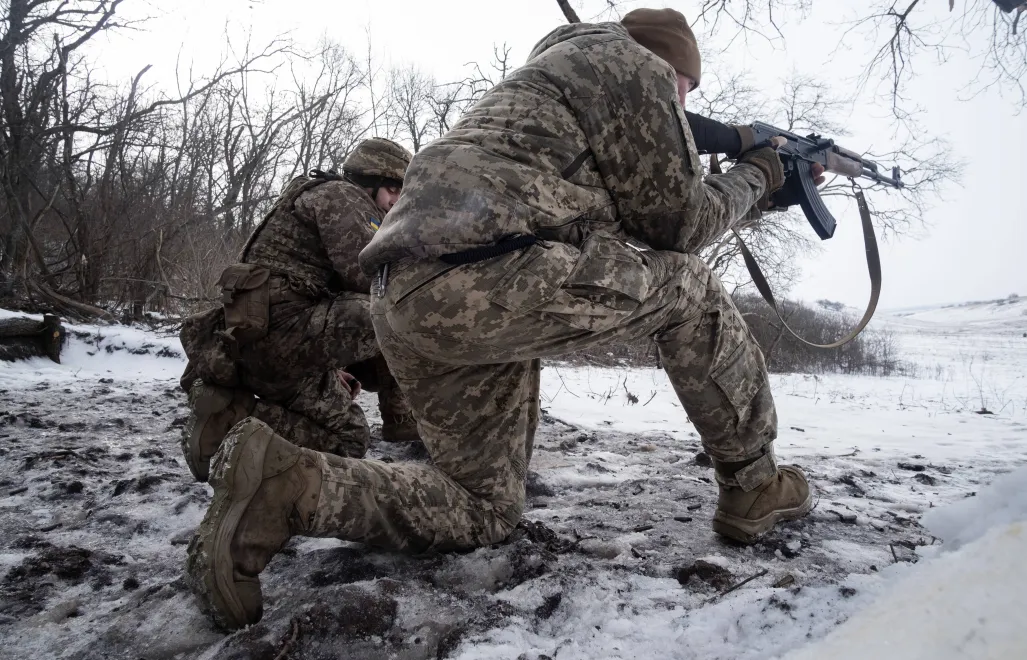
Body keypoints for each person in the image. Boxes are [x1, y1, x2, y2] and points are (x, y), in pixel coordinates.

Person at [186, 9, 819, 629]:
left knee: (483, 508)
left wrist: (755, 187)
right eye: (685, 89)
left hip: (403, 298)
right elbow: (679, 230)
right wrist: (760, 172)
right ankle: (754, 483)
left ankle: (284, 487)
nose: (682, 105)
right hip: (483, 278)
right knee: (688, 289)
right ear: (668, 68)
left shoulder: (542, 94)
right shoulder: (631, 66)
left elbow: (641, 207)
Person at [178, 137, 418, 484]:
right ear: (370, 180)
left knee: (350, 439)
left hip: (264, 344)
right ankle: (403, 420)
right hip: (280, 338)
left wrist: (332, 368)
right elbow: (368, 275)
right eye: (394, 188)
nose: (397, 200)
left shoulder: (314, 194)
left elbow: (315, 290)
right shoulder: (343, 196)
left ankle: (229, 418)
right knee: (392, 308)